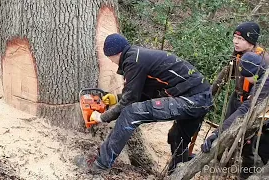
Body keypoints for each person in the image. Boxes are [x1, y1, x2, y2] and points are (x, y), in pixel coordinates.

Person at [75, 33, 213, 174]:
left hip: (193, 99)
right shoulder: (138, 56)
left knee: (131, 113)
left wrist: (102, 117)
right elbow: (144, 91)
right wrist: (116, 98)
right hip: (200, 97)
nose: (111, 62)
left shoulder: (133, 61)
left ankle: (100, 165)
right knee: (177, 136)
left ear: (115, 53)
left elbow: (130, 101)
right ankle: (176, 173)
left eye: (110, 58)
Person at [202, 52, 269, 179]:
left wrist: (218, 132)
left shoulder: (264, 83)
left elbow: (245, 109)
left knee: (264, 149)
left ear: (252, 74)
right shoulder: (264, 73)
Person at [212, 21, 269, 119]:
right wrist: (210, 93)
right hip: (237, 97)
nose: (235, 41)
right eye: (234, 37)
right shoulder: (238, 53)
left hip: (251, 102)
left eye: (240, 39)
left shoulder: (263, 60)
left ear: (251, 41)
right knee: (224, 127)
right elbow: (227, 71)